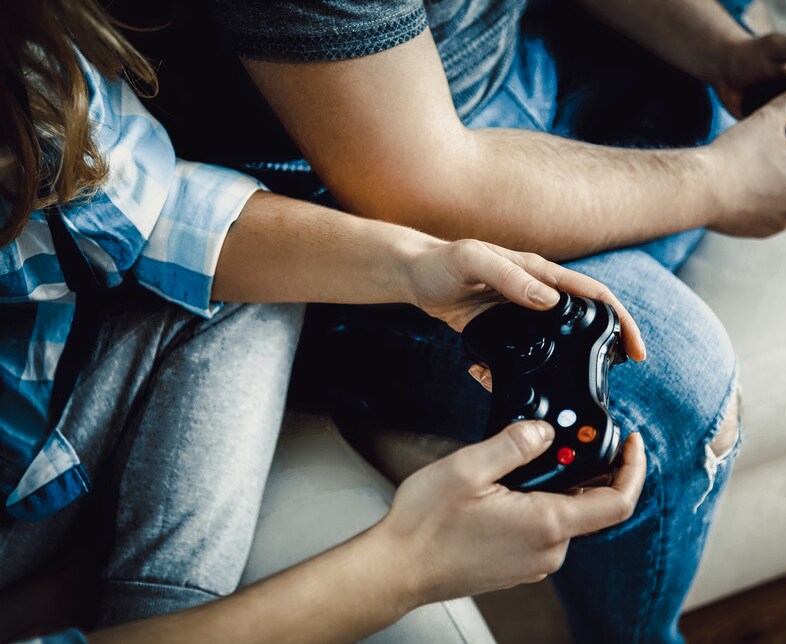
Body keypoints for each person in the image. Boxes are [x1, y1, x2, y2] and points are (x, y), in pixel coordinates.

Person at [101, 0, 786, 640]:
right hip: (344, 193)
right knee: (673, 388)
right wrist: (718, 184)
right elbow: (418, 184)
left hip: (511, 68)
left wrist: (719, 48)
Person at [0, 0, 649, 640]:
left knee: (261, 284)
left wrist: (418, 265)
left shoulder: (23, 44)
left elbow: (142, 205)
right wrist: (409, 565)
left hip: (41, 424)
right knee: (672, 392)